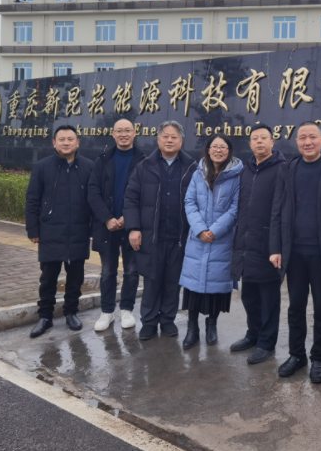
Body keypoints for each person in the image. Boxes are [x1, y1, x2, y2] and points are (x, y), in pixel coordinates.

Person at [270, 121, 321, 384]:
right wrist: (276, 248)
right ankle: (297, 355)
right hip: (294, 253)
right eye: (302, 137)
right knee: (296, 307)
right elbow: (277, 209)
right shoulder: (287, 169)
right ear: (297, 142)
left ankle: (319, 359)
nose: (307, 142)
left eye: (312, 137)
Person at [124, 121, 197, 341]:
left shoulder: (191, 167)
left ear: (181, 141)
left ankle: (167, 319)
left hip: (179, 236)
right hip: (151, 236)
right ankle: (148, 321)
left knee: (173, 281)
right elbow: (130, 198)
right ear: (158, 140)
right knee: (152, 281)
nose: (169, 140)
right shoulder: (144, 166)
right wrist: (133, 228)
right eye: (165, 136)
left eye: (174, 137)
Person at [25, 125, 94, 338]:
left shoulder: (89, 167)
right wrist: (33, 229)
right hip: (50, 232)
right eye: (61, 139)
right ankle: (45, 317)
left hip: (78, 232)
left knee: (76, 278)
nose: (66, 143)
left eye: (70, 139)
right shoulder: (42, 167)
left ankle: (71, 312)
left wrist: (93, 229)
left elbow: (95, 201)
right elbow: (32, 200)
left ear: (77, 143)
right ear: (54, 143)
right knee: (48, 279)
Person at [230, 125, 286, 364]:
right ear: (250, 144)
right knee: (249, 297)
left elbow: (282, 210)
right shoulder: (245, 170)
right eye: (255, 138)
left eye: (264, 138)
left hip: (269, 246)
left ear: (272, 142)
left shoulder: (282, 169)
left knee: (269, 300)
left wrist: (278, 246)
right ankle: (253, 334)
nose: (260, 141)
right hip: (245, 244)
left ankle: (266, 343)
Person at [179, 135, 242, 349]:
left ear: (229, 151)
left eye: (223, 147)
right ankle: (192, 329)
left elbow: (235, 208)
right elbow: (189, 201)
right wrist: (200, 229)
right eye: (214, 146)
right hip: (197, 240)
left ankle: (211, 325)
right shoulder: (198, 173)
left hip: (221, 240)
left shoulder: (237, 176)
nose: (218, 150)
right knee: (193, 287)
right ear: (208, 150)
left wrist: (214, 231)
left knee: (217, 287)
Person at [88, 119, 146, 332]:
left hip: (132, 227)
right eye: (119, 131)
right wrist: (107, 218)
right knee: (107, 272)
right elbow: (93, 192)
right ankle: (107, 312)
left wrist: (128, 219)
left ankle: (127, 310)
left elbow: (147, 195)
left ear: (134, 133)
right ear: (113, 134)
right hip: (107, 227)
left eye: (128, 130)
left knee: (131, 271)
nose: (123, 134)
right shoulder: (102, 160)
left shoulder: (143, 161)